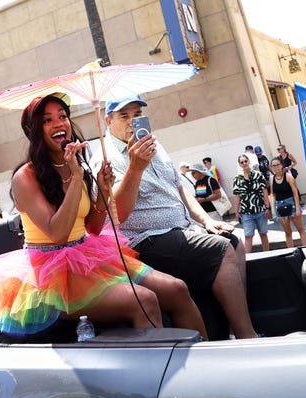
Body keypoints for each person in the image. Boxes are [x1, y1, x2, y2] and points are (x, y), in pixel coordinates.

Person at [0, 93, 207, 338]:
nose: (59, 123)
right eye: (47, 120)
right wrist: (77, 178)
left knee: (176, 289)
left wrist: (103, 192)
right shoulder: (25, 176)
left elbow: (94, 227)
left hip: (88, 253)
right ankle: (160, 363)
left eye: (62, 116)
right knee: (144, 300)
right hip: (51, 273)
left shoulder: (77, 163)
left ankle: (205, 355)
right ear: (34, 131)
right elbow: (57, 233)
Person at [93, 94, 258, 339]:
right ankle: (248, 338)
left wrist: (206, 220)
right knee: (221, 248)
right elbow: (119, 214)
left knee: (234, 241)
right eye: (124, 116)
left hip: (182, 231)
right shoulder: (105, 160)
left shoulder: (154, 144)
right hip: (145, 240)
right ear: (108, 121)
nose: (132, 122)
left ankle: (234, 332)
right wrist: (135, 168)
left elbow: (179, 187)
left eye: (137, 115)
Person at [233, 154, 271, 253]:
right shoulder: (237, 178)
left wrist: (268, 208)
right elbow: (237, 196)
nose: (244, 163)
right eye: (242, 162)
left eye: (245, 161)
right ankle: (248, 259)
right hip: (246, 212)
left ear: (249, 161)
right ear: (239, 164)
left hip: (260, 209)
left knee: (263, 233)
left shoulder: (258, 175)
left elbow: (265, 192)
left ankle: (267, 255)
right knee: (248, 236)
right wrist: (236, 212)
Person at [269, 157, 306, 248]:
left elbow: (295, 193)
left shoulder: (288, 177)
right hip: (280, 206)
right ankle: (291, 252)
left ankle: (305, 249)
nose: (276, 167)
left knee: (300, 229)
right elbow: (272, 194)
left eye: (277, 165)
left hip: (292, 204)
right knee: (287, 232)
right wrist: (274, 211)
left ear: (282, 165)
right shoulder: (271, 179)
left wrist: (297, 208)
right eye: (273, 165)